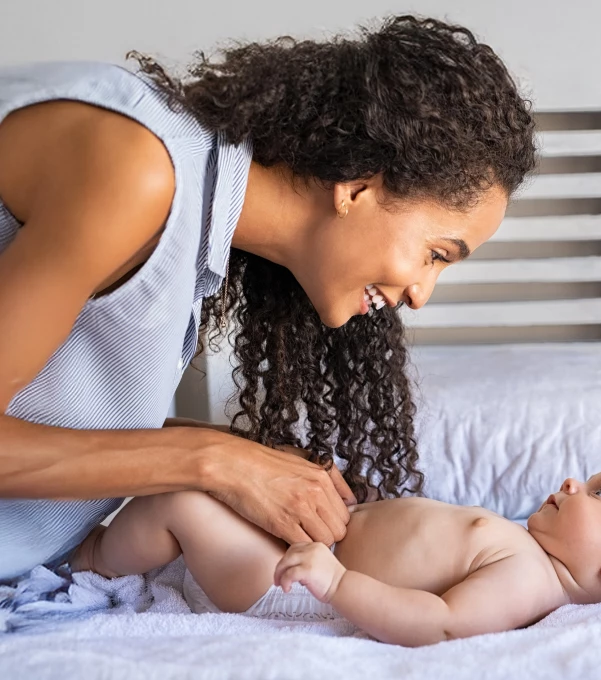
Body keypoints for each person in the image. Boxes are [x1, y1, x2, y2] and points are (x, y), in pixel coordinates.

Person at [0, 15, 537, 581]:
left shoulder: (195, 203)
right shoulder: (136, 170)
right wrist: (217, 464)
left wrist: (243, 456)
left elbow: (42, 410)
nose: (423, 293)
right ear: (357, 187)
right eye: (436, 254)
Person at [70, 466, 601, 646]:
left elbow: (440, 622)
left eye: (600, 493)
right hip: (309, 553)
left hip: (286, 587)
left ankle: (86, 559)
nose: (573, 482)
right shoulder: (525, 545)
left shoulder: (528, 579)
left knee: (183, 497)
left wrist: (337, 580)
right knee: (231, 482)